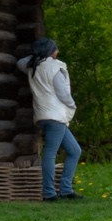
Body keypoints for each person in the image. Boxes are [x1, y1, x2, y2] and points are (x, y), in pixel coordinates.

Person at [18, 36, 81, 201]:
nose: (57, 52)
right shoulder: (54, 67)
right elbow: (63, 93)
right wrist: (72, 105)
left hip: (42, 115)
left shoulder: (33, 66)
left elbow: (20, 62)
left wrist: (37, 55)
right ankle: (49, 193)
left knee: (75, 151)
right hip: (55, 115)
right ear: (50, 51)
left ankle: (66, 189)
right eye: (55, 49)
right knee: (50, 153)